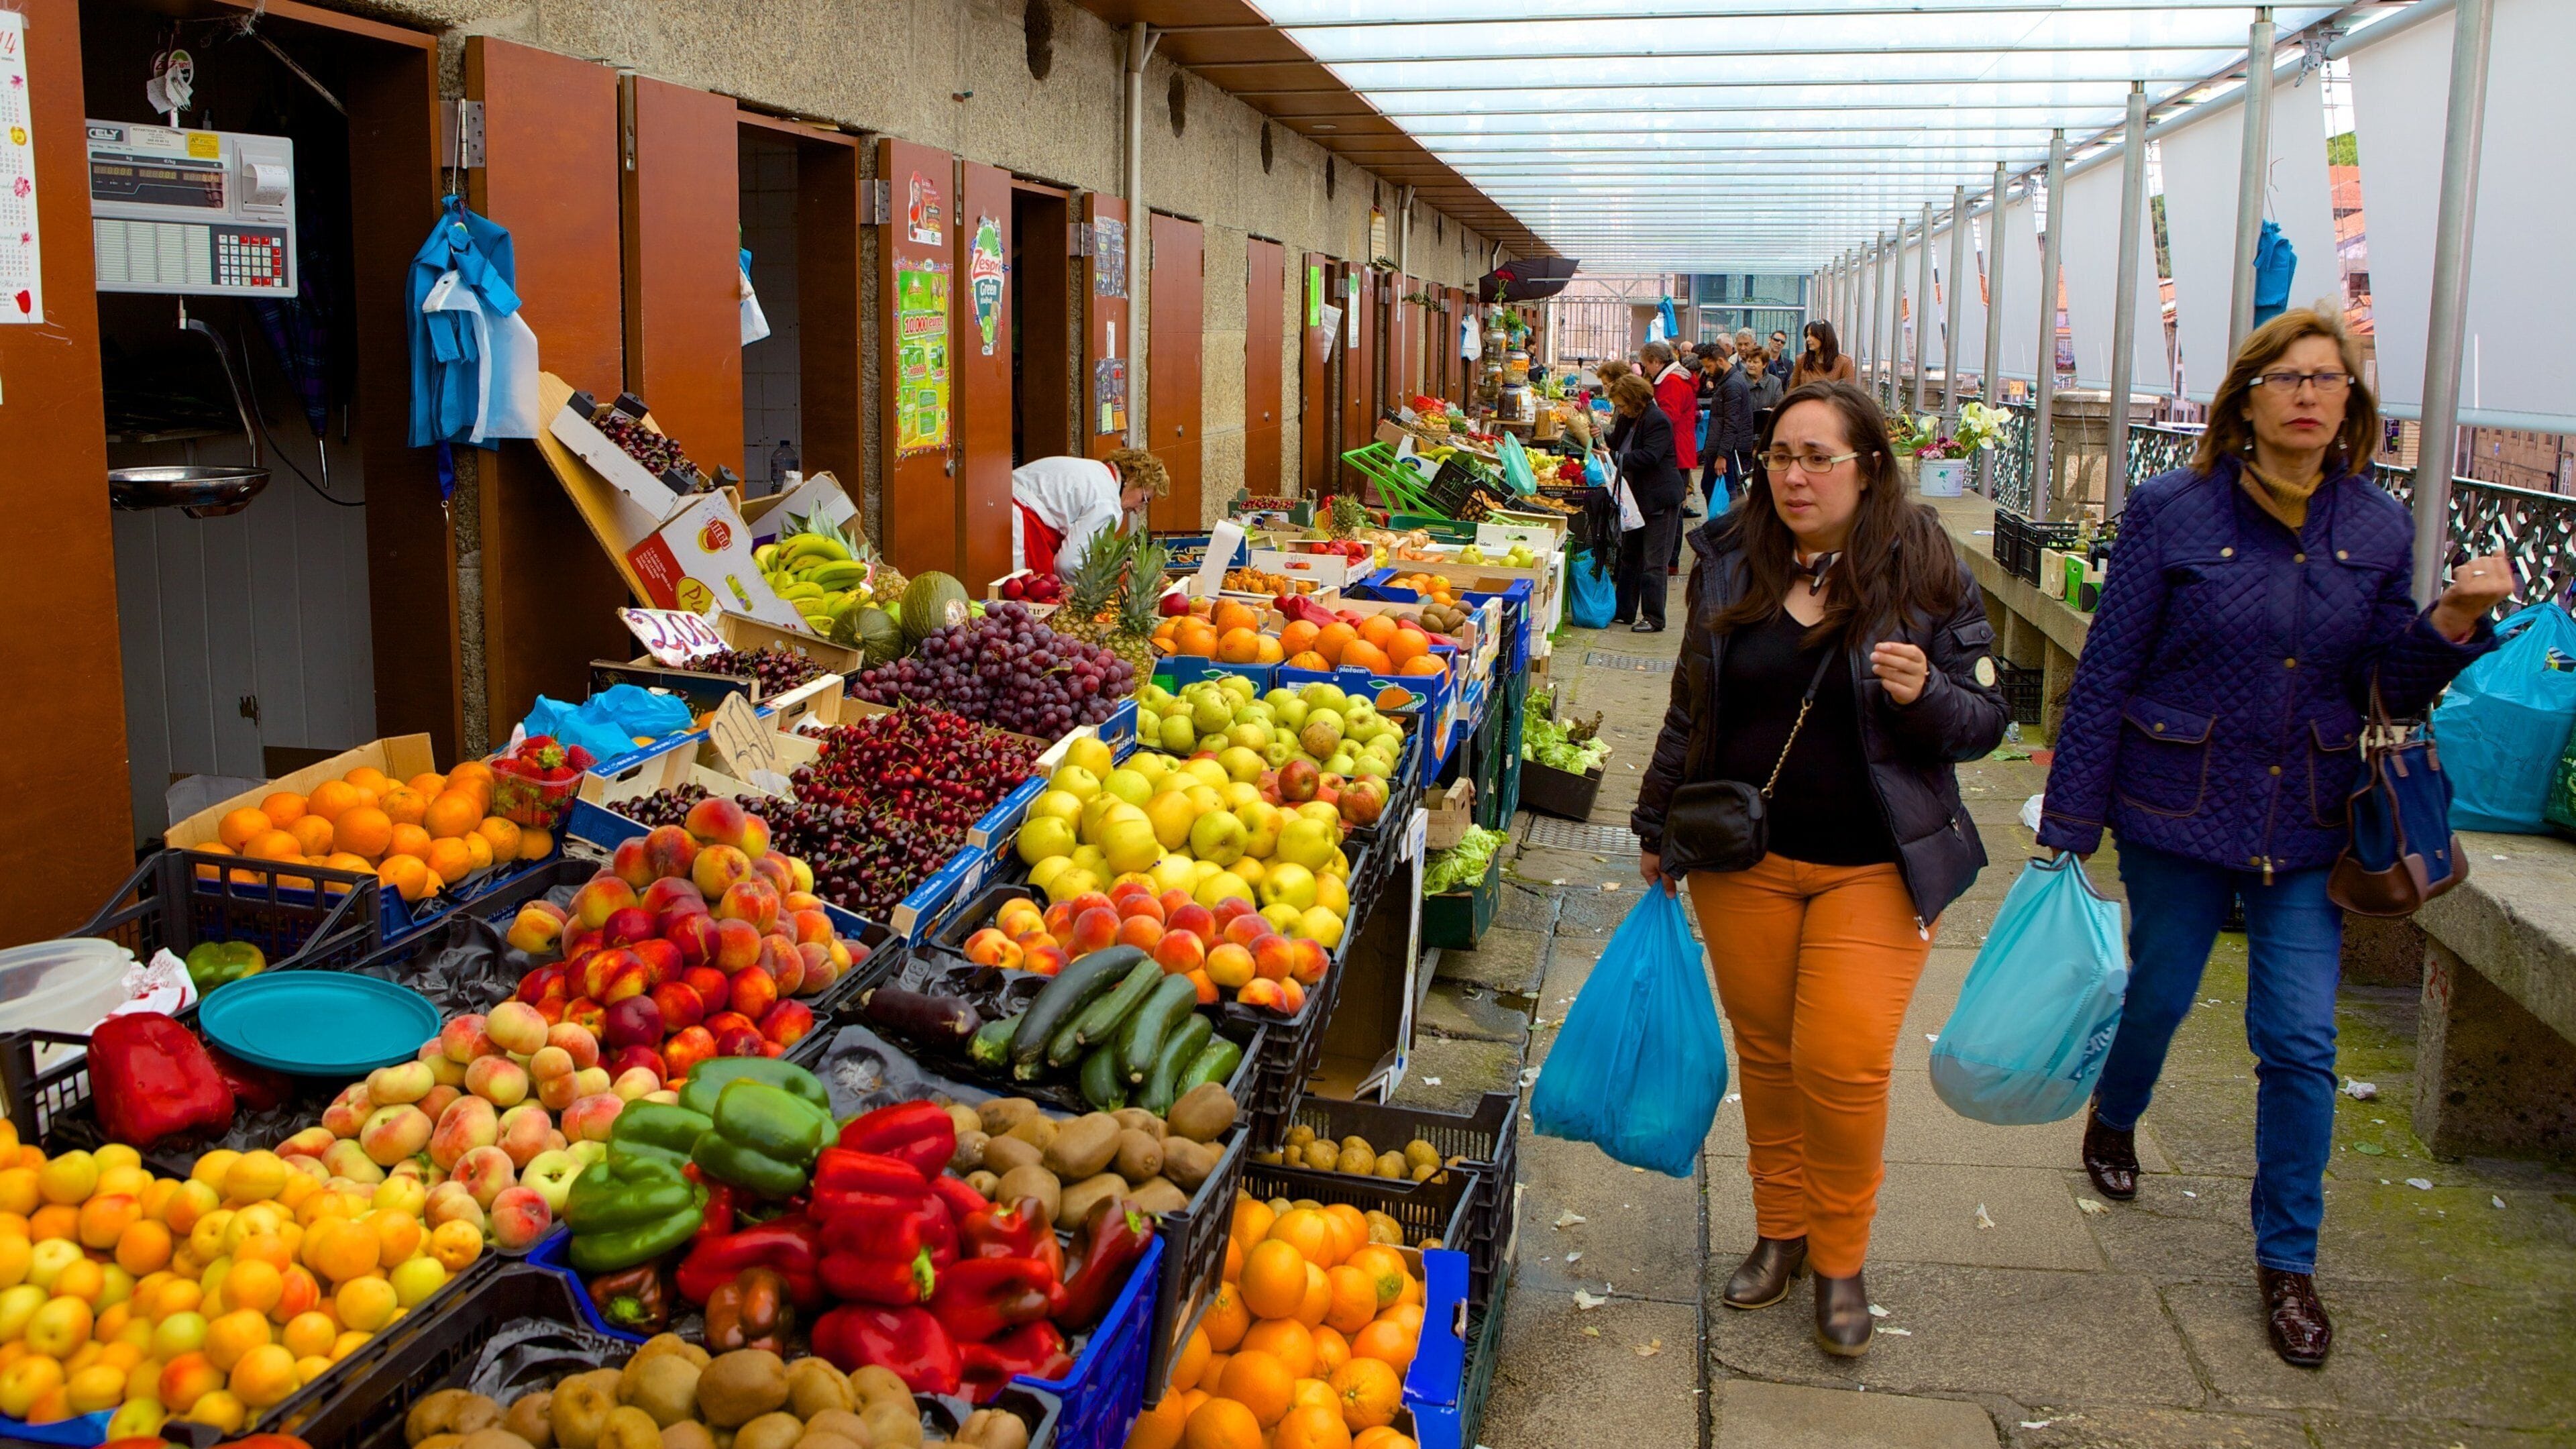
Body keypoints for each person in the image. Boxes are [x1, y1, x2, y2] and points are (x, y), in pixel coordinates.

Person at [2037, 309, 2510, 1369]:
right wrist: (2068, 822)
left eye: (2328, 380)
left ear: (2352, 405)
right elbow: (2108, 669)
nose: (2308, 394)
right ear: (2245, 397)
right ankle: (2117, 1112)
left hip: (2308, 817)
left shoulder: (2380, 528)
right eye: (2287, 377)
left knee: (2300, 1042)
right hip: (2177, 804)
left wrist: (2448, 624)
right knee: (2158, 994)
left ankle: (2287, 1265)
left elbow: (2386, 686)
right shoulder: (2172, 510)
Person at [1632, 380, 2007, 1357]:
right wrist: (1653, 822)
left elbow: (1984, 722)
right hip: (1743, 861)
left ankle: (1841, 1257)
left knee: (1840, 1060)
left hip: (1874, 865)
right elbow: (1690, 706)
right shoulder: (1726, 556)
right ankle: (1781, 1229)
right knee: (1766, 1053)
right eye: (1780, 457)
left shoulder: (1924, 566)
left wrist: (1926, 696)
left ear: (1868, 466)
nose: (1794, 478)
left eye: (1817, 459)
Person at [1605, 373, 1686, 632]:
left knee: (1654, 560)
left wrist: (1615, 457)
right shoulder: (1628, 420)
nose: (1621, 410)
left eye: (1622, 405)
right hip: (1636, 497)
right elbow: (1616, 444)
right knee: (1630, 556)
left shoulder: (1657, 420)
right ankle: (1625, 611)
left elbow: (1649, 456)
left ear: (1635, 399)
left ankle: (1654, 617)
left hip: (1659, 498)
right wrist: (1599, 438)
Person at [1009, 447, 1168, 578]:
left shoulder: (1096, 470)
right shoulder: (1108, 504)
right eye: (1144, 499)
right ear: (1133, 480)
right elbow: (1068, 564)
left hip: (996, 501)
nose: (1138, 509)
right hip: (1020, 526)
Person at [1709, 339, 1758, 511]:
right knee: (1715, 486)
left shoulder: (1732, 384)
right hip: (1727, 446)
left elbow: (1731, 422)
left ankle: (1730, 527)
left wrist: (1723, 454)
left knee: (1731, 489)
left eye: (1709, 367)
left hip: (1731, 449)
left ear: (1721, 361)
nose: (1707, 372)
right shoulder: (1728, 381)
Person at [1790, 321, 1856, 389]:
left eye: (1812, 335)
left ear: (1825, 337)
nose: (1808, 339)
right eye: (1808, 335)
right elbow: (1792, 390)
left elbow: (1849, 394)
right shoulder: (1801, 360)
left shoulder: (1844, 362)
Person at [1745, 349, 1784, 421]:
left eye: (1755, 362)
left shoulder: (1775, 383)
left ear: (1764, 365)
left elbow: (1780, 407)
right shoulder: (1738, 380)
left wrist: (1771, 411)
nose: (1751, 365)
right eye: (1749, 361)